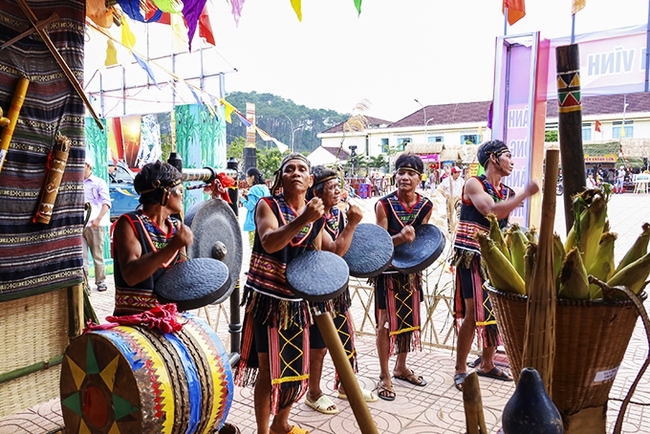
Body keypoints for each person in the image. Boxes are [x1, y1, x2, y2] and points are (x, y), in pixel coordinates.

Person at [236, 154, 334, 434]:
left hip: (297, 301)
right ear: (280, 178)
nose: (296, 173)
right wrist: (304, 218)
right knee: (268, 371)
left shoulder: (316, 215)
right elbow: (268, 242)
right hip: (268, 299)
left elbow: (314, 258)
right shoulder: (267, 205)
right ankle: (262, 431)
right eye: (289, 169)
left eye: (302, 169)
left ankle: (281, 423)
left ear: (310, 180)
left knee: (292, 368)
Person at [452, 140, 539, 391]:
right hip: (471, 256)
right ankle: (460, 369)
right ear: (492, 158)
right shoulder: (474, 183)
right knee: (472, 313)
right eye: (508, 156)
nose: (512, 162)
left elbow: (502, 223)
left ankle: (487, 364)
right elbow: (492, 211)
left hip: (494, 258)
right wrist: (526, 194)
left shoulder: (508, 192)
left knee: (495, 310)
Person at [304, 166, 374, 415]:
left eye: (338, 186)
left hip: (338, 287)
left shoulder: (338, 215)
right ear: (317, 192)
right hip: (318, 288)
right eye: (331, 187)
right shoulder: (313, 217)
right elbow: (332, 252)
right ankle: (314, 393)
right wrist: (353, 224)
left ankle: (347, 384)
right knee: (320, 346)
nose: (338, 191)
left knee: (345, 337)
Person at [373, 153, 433, 401]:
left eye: (411, 173)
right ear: (395, 176)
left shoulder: (426, 205)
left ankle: (400, 366)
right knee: (385, 324)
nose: (405, 177)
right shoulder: (383, 205)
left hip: (410, 271)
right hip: (387, 271)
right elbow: (377, 244)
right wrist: (400, 239)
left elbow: (424, 240)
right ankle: (385, 374)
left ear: (420, 178)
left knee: (407, 322)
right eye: (401, 172)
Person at [111, 161, 193, 316]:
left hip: (170, 318)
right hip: (135, 319)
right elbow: (131, 276)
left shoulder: (176, 228)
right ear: (167, 193)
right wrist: (172, 247)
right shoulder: (129, 224)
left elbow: (183, 276)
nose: (183, 196)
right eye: (180, 191)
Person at [83, 157, 111, 292]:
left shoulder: (99, 182)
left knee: (97, 255)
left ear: (88, 166)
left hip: (95, 224)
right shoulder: (75, 183)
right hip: (80, 225)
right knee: (82, 257)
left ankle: (101, 281)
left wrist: (98, 219)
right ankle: (84, 283)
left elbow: (107, 203)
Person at [240, 167, 271, 247]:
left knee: (253, 247)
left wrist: (242, 199)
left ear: (252, 177)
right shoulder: (264, 187)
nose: (246, 179)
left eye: (247, 177)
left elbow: (250, 206)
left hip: (253, 223)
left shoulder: (253, 189)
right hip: (264, 223)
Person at [438, 166, 465, 233]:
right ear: (453, 173)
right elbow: (440, 188)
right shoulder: (447, 180)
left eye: (459, 173)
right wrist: (445, 195)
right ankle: (450, 229)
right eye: (457, 173)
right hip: (450, 198)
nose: (458, 174)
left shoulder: (461, 180)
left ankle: (460, 227)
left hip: (458, 198)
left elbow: (464, 187)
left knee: (460, 212)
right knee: (449, 214)